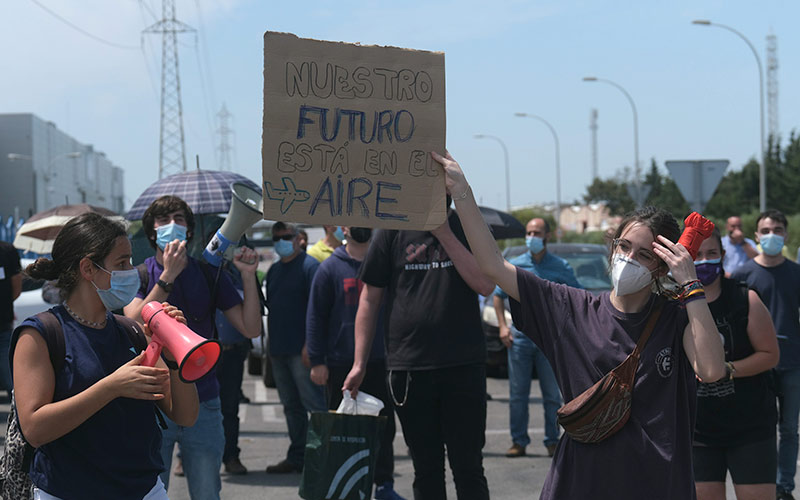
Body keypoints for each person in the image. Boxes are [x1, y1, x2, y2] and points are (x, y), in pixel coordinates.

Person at [433, 151, 725, 499]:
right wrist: (462, 192)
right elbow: (493, 266)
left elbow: (711, 370)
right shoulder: (570, 308)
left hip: (658, 485)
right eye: (624, 246)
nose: (628, 258)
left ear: (662, 267)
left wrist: (691, 285)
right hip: (581, 483)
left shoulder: (677, 318)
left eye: (644, 254)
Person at [13, 212, 199, 499]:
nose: (131, 271)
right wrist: (111, 387)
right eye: (121, 263)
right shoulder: (41, 334)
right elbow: (35, 429)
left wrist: (175, 356)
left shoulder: (131, 332)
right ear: (88, 268)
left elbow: (185, 415)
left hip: (144, 490)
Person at [343, 197, 496, 500]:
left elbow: (485, 284)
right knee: (426, 469)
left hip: (463, 365)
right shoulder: (392, 229)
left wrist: (444, 233)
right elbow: (369, 299)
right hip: (410, 368)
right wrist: (359, 363)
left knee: (468, 467)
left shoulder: (468, 225)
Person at [124, 195, 262, 500]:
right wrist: (168, 277)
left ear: (188, 230)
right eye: (163, 220)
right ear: (151, 233)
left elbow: (251, 328)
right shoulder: (140, 274)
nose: (171, 225)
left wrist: (248, 276)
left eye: (179, 219)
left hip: (204, 401)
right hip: (153, 404)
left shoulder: (208, 273)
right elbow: (133, 323)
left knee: (206, 491)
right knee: (150, 492)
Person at [306, 226, 405, 500]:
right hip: (340, 363)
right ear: (343, 227)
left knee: (384, 427)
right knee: (343, 430)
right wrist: (317, 360)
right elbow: (315, 317)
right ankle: (344, 488)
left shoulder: (387, 264)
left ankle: (384, 485)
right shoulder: (329, 269)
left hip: (382, 361)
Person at [692, 228, 779, 500]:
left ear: (722, 255)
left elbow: (770, 354)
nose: (704, 260)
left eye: (711, 253)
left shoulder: (744, 298)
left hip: (750, 426)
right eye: (697, 255)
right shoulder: (675, 306)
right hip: (697, 431)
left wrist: (727, 370)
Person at [494, 218, 580, 458]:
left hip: (549, 340)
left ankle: (552, 441)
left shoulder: (560, 267)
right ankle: (518, 441)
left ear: (547, 236)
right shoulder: (515, 265)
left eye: (537, 233)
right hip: (520, 339)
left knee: (551, 395)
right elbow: (498, 295)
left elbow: (576, 295)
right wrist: (502, 327)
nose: (531, 237)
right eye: (529, 232)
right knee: (518, 395)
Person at [731, 210, 800, 500]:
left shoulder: (795, 273)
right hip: (757, 364)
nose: (772, 235)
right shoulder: (743, 275)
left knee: (789, 428)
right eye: (766, 230)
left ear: (785, 234)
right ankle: (763, 483)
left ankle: (784, 487)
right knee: (760, 428)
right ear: (756, 236)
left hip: (792, 363)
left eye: (778, 230)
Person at [264, 221, 326, 473]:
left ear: (299, 238)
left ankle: (321, 458)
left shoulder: (311, 267)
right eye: (276, 237)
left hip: (302, 351)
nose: (281, 241)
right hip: (279, 349)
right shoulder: (274, 270)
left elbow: (319, 310)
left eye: (286, 236)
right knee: (291, 407)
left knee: (314, 405)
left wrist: (311, 345)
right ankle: (298, 456)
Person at [214, 259, 254, 476]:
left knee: (229, 408)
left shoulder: (240, 275)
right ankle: (185, 457)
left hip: (231, 353)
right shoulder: (200, 273)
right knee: (196, 406)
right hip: (203, 355)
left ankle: (231, 457)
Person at [0, 240, 21, 400]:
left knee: (9, 374)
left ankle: (17, 404)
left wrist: (6, 305)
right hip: (4, 318)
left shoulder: (6, 251)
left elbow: (16, 284)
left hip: (3, 322)